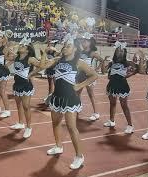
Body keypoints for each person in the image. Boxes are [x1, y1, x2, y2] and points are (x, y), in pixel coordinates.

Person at [32, 34, 98, 169]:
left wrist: (80, 85)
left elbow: (94, 75)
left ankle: (79, 156)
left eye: (68, 46)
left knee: (71, 127)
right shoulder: (57, 59)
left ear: (74, 49)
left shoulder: (79, 62)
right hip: (57, 97)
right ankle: (58, 146)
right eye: (64, 45)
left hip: (70, 98)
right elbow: (42, 66)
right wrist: (44, 52)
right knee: (55, 123)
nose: (65, 48)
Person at [6, 37, 38, 138]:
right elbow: (6, 57)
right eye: (20, 45)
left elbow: (41, 66)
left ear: (28, 49)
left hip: (26, 85)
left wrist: (32, 74)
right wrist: (11, 47)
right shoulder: (16, 56)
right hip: (17, 84)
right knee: (18, 105)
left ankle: (29, 127)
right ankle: (20, 123)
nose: (21, 46)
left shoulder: (30, 58)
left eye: (23, 46)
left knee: (26, 106)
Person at [104, 41, 137, 133]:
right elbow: (104, 71)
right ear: (115, 52)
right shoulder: (112, 63)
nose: (120, 52)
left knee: (124, 105)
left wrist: (128, 75)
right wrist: (104, 61)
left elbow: (137, 69)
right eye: (118, 51)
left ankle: (130, 125)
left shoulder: (127, 62)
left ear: (125, 53)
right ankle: (111, 121)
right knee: (112, 104)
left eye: (122, 51)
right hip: (112, 85)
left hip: (122, 86)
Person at [77, 32, 104, 121]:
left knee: (91, 94)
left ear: (90, 43)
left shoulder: (92, 53)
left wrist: (96, 70)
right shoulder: (80, 52)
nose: (83, 43)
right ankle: (77, 108)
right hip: (80, 75)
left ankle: (96, 113)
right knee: (77, 93)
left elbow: (102, 60)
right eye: (83, 41)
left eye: (85, 41)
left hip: (89, 76)